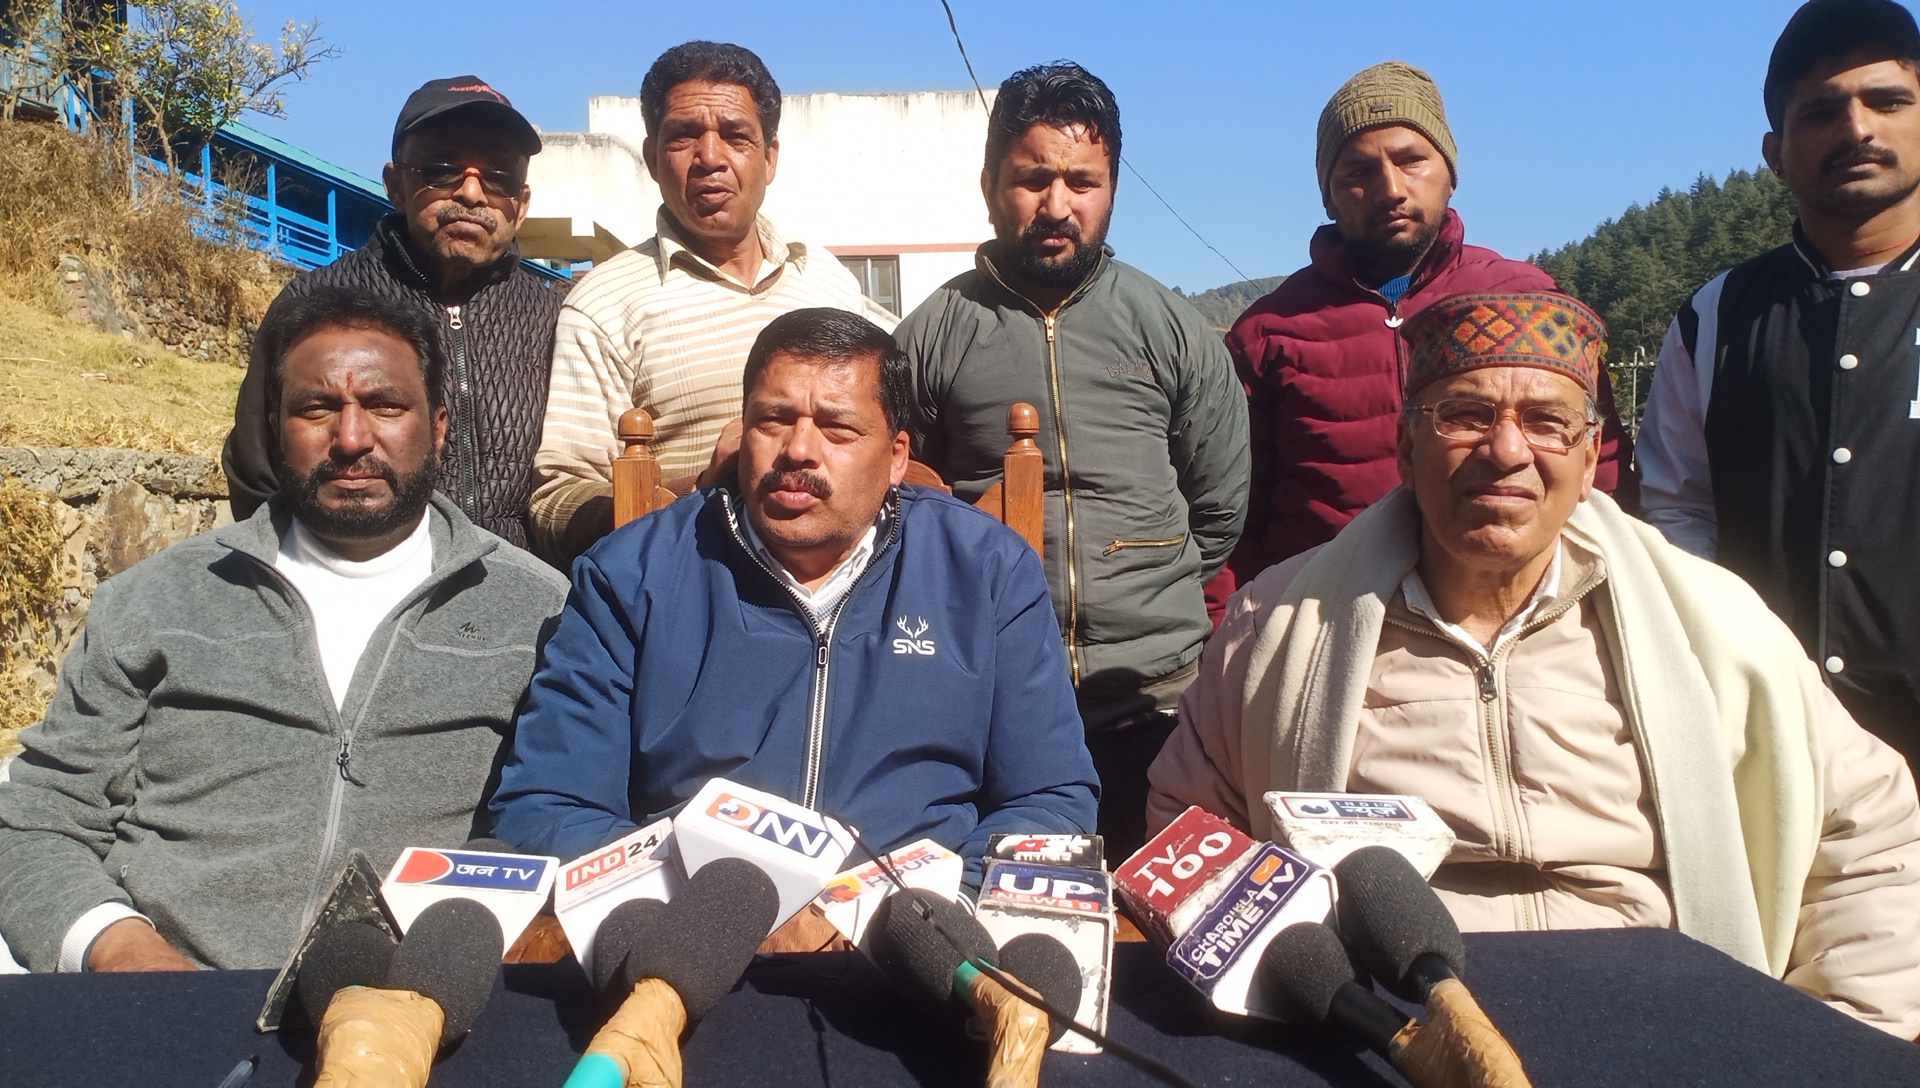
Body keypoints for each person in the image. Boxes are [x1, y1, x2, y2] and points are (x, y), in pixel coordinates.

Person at [1148, 291, 1920, 1037]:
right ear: (1407, 450)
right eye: (1465, 416)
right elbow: (1194, 836)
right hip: (1385, 1038)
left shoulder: (1716, 628)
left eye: (1547, 423)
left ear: (1588, 464)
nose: (1507, 451)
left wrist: (1832, 1039)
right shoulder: (1280, 626)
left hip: (1675, 1028)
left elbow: (1872, 837)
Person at [0, 289, 567, 972]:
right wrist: (118, 948)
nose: (351, 439)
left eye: (385, 406)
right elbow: (38, 817)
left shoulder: (540, 612)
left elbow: (564, 818)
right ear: (275, 428)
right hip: (164, 995)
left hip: (413, 1008)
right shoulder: (156, 599)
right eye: (316, 408)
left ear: (439, 427)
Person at [491, 308, 1098, 884]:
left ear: (896, 456)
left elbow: (1049, 798)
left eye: (838, 428)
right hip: (689, 925)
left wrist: (932, 912)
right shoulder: (631, 573)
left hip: (918, 929)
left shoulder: (986, 570)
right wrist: (697, 909)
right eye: (773, 420)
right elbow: (546, 806)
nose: (799, 449)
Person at [896, 62, 1247, 858]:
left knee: (1160, 914)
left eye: (1082, 181)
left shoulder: (1171, 328)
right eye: (1033, 179)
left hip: (1158, 702)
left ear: (1113, 186)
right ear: (991, 185)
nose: (1057, 206)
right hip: (995, 709)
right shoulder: (934, 334)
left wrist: (1140, 577)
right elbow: (906, 501)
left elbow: (1219, 505)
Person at [1220, 61, 1634, 607]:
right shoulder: (1268, 333)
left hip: (1516, 615)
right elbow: (1231, 518)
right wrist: (1236, 632)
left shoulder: (1529, 300)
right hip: (1324, 617)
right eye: (1358, 171)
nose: (1390, 189)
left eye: (1411, 160)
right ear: (1328, 196)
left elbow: (1602, 477)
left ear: (1450, 173)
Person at [1639, 0, 1920, 767]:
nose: (1857, 128)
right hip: (1767, 741)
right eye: (1823, 111)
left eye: (1887, 101)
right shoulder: (1716, 315)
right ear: (1775, 152)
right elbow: (1677, 510)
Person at [532, 41, 894, 564]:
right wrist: (694, 490)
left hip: (842, 584)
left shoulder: (826, 279)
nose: (709, 157)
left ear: (769, 157)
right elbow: (554, 501)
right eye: (683, 136)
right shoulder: (604, 305)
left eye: (735, 135)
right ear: (652, 158)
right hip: (691, 585)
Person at [224, 76, 561, 552]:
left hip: (523, 589)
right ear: (395, 185)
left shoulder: (556, 319)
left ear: (521, 206)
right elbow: (256, 471)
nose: (471, 193)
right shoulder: (315, 304)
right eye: (442, 171)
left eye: (499, 178)